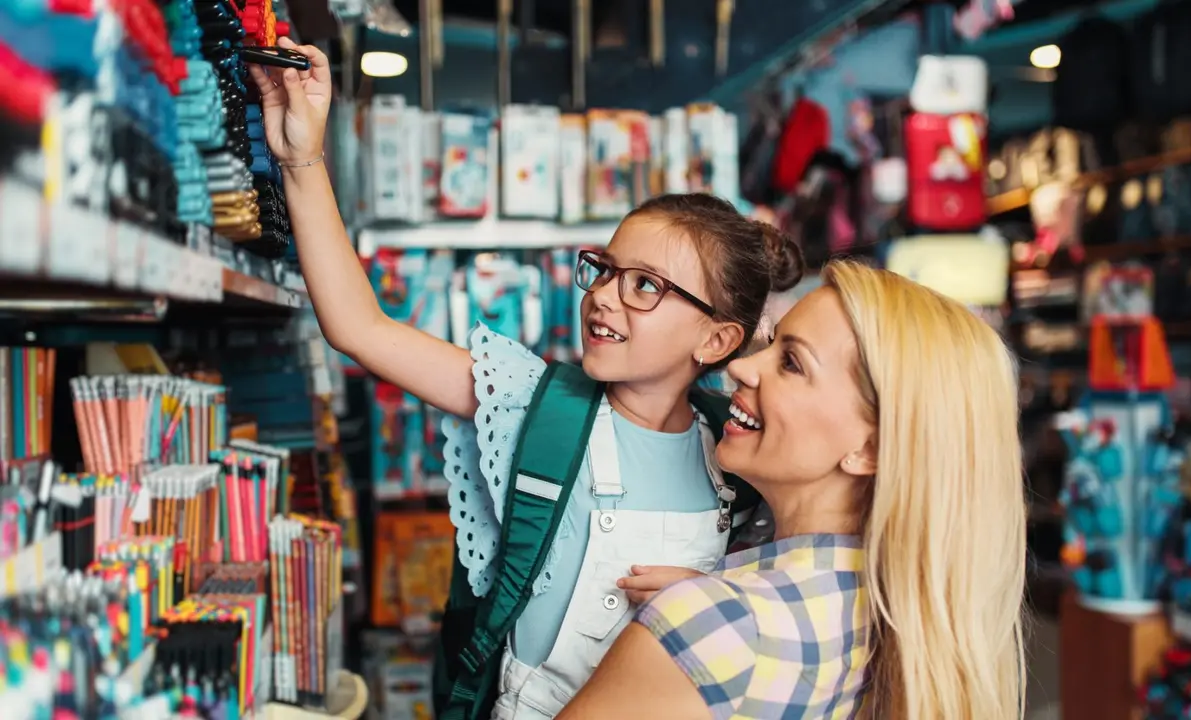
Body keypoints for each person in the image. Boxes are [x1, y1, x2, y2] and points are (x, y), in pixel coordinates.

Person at [246, 40, 806, 720]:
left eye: (643, 286)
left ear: (717, 339)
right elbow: (361, 329)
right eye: (602, 269)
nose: (603, 296)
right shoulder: (535, 409)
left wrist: (708, 604)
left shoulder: (740, 456)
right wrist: (302, 160)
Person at [561, 261, 1028, 720]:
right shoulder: (895, 619)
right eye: (772, 341)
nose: (743, 367)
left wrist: (703, 615)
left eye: (791, 363)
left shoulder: (714, 626)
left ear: (870, 448)